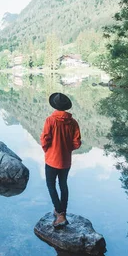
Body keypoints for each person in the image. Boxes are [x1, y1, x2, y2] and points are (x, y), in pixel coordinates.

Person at [40, 92, 81, 227]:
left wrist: (48, 151)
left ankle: (59, 213)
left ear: (55, 106)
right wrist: (67, 149)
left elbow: (45, 139)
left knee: (51, 185)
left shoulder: (50, 120)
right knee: (63, 185)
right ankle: (62, 210)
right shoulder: (73, 122)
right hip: (65, 161)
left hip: (52, 160)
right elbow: (77, 143)